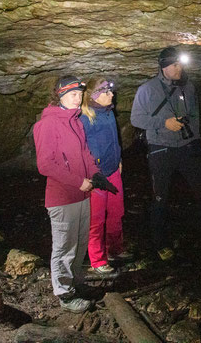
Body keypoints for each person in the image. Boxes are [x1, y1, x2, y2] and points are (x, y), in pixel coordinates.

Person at [130, 46, 201, 261]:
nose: (179, 68)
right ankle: (159, 243)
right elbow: (136, 119)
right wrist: (163, 123)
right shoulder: (147, 89)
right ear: (164, 67)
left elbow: (194, 116)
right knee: (160, 197)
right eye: (175, 65)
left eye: (181, 64)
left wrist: (196, 141)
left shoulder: (189, 87)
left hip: (187, 149)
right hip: (161, 150)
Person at [33, 76, 97, 313]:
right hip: (62, 197)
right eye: (72, 95)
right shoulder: (48, 124)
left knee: (80, 243)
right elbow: (45, 165)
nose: (78, 99)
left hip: (82, 195)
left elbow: (84, 154)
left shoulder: (76, 121)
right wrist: (78, 181)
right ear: (59, 95)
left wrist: (95, 174)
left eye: (80, 94)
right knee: (64, 246)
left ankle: (76, 283)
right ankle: (64, 293)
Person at [80, 79, 133, 278]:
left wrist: (118, 158)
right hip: (97, 177)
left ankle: (115, 249)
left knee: (117, 213)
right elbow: (82, 150)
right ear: (94, 95)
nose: (112, 95)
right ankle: (98, 260)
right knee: (96, 219)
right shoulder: (85, 118)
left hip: (112, 171)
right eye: (107, 91)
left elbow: (114, 138)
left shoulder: (109, 112)